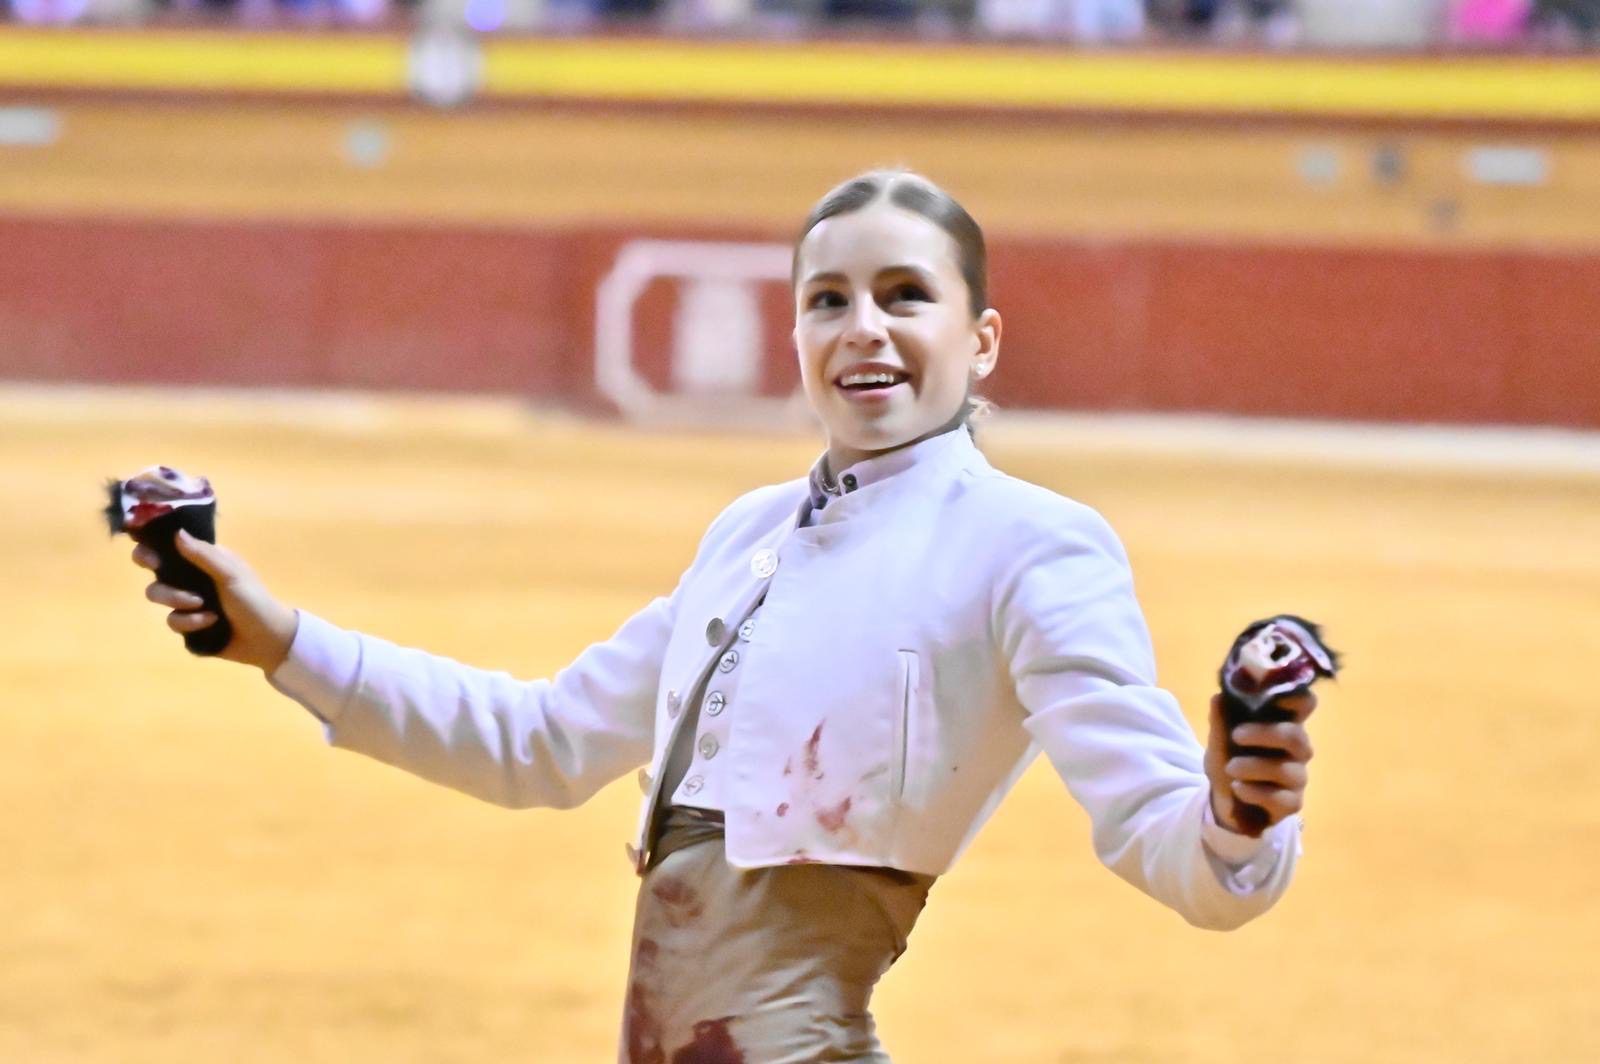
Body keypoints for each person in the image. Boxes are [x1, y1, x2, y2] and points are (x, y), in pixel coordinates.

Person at [133, 169, 1321, 1063]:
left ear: (980, 335)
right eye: (828, 299)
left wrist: (1235, 814)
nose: (863, 326)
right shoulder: (748, 535)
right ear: (797, 333)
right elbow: (537, 743)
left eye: (906, 294)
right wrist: (277, 639)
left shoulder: (1029, 541)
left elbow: (1175, 844)